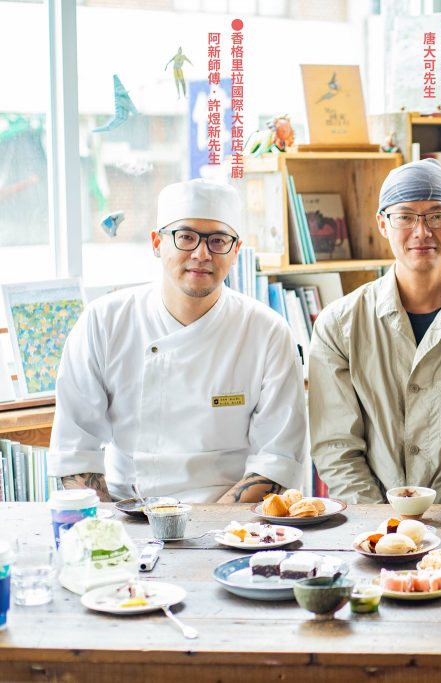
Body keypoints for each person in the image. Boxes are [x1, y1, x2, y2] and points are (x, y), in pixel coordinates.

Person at [49, 179, 307, 503]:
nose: (201, 253)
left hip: (227, 524)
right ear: (157, 242)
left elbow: (278, 460)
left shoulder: (268, 332)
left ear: (236, 250)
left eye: (217, 240)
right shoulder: (103, 322)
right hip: (127, 512)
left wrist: (212, 533)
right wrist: (110, 534)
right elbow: (76, 452)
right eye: (185, 237)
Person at [308, 159, 441, 504]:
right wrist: (388, 530)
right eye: (405, 216)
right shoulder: (338, 325)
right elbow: (337, 448)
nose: (421, 231)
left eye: (437, 215)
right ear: (382, 224)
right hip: (374, 525)